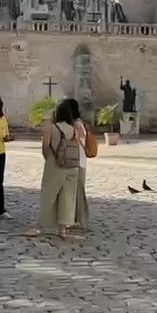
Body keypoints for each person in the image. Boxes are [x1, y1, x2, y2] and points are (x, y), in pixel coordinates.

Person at [24, 99, 81, 240]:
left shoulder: (51, 128)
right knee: (67, 197)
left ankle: (40, 226)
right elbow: (76, 146)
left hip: (54, 165)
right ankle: (62, 229)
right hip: (72, 167)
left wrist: (49, 159)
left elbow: (45, 147)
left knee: (48, 196)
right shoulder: (73, 129)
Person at [65, 98, 90, 233]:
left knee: (79, 192)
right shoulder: (77, 123)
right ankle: (74, 219)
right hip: (78, 160)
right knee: (74, 192)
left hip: (78, 160)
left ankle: (82, 220)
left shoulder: (77, 124)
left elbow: (78, 141)